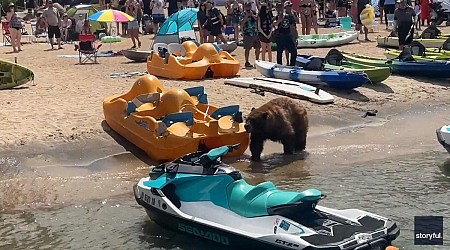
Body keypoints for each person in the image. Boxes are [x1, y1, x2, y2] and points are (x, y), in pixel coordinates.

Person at [273, 1, 297, 66]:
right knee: (279, 53)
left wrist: (295, 37)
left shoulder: (288, 16)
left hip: (288, 36)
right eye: (278, 7)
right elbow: (273, 25)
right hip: (280, 36)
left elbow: (293, 27)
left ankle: (292, 65)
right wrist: (279, 20)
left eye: (281, 7)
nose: (279, 9)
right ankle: (279, 66)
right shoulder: (275, 16)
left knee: (294, 52)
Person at [240, 1, 260, 68]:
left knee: (257, 47)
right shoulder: (242, 14)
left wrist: (252, 15)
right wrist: (246, 16)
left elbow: (257, 19)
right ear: (245, 7)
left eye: (249, 6)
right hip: (247, 33)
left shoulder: (253, 12)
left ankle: (257, 60)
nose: (248, 7)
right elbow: (241, 23)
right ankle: (247, 61)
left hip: (255, 32)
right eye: (247, 6)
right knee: (247, 48)